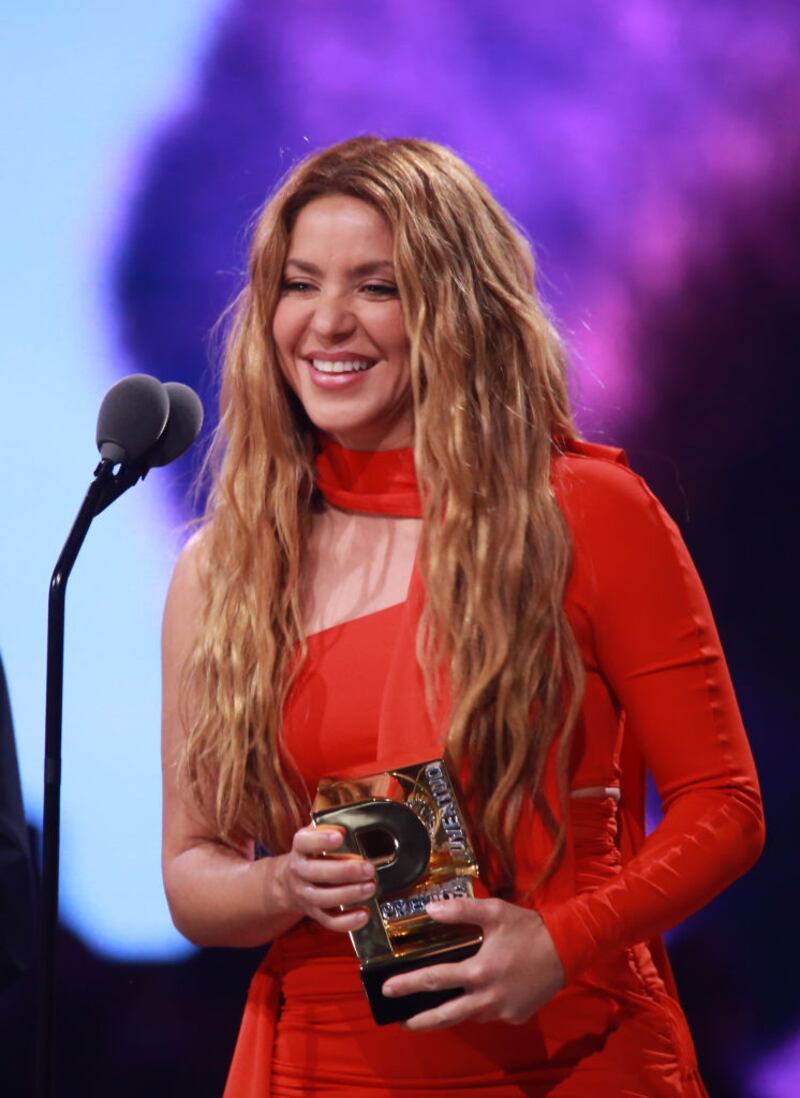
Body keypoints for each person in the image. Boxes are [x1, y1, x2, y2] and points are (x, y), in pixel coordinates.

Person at [160, 136, 764, 1097]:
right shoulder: (226, 569)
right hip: (321, 1064)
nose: (327, 322)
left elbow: (725, 808)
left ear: (458, 310)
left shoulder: (583, 514)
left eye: (378, 288)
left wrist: (563, 942)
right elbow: (194, 870)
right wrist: (283, 887)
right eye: (299, 284)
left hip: (571, 1054)